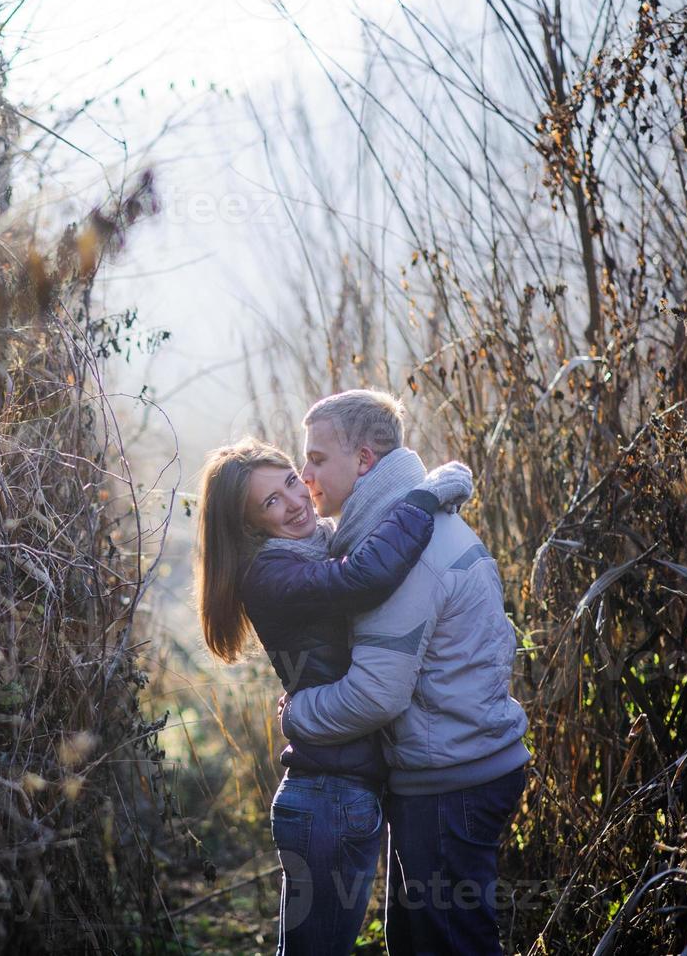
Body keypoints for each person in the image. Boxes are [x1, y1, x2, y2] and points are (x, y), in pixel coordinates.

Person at [193, 436, 473, 955]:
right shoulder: (272, 573)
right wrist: (423, 498)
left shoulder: (311, 546)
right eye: (270, 502)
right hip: (326, 799)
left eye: (292, 482)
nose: (296, 501)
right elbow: (364, 578)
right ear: (249, 525)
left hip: (341, 791)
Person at [279, 389, 530, 956]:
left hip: (453, 782)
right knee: (419, 943)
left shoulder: (401, 554)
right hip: (454, 770)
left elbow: (375, 695)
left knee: (450, 945)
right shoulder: (406, 529)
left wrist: (299, 714)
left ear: (364, 460)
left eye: (317, 458)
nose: (305, 472)